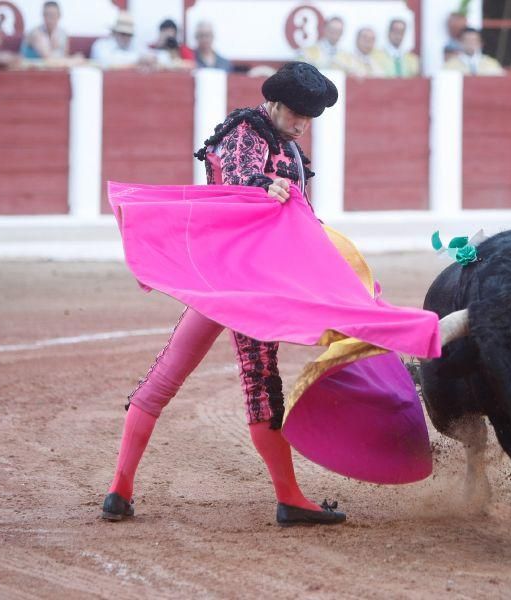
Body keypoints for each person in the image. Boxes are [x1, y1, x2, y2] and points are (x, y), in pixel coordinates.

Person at [102, 61, 346, 527]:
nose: (302, 125)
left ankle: (120, 489)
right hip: (239, 282)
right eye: (296, 114)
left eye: (309, 118)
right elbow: (238, 180)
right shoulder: (244, 132)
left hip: (237, 278)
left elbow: (301, 219)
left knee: (168, 373)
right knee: (259, 379)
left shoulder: (289, 148)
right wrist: (263, 186)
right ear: (273, 104)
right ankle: (289, 498)